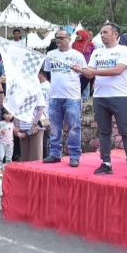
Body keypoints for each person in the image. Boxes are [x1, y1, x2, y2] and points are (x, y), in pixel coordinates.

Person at [81, 22, 127, 180]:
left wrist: (94, 71)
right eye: (101, 32)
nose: (102, 35)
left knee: (126, 131)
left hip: (119, 96)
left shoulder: (124, 50)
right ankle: (106, 163)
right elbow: (89, 73)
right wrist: (81, 70)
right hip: (99, 96)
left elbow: (117, 70)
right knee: (104, 131)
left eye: (105, 32)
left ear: (115, 34)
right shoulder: (97, 52)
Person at [43, 29, 86, 167]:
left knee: (74, 127)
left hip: (72, 97)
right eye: (57, 37)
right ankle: (55, 153)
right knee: (55, 127)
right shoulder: (50, 55)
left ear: (69, 39)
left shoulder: (77, 55)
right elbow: (48, 73)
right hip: (55, 96)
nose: (59, 40)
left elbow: (85, 74)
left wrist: (79, 91)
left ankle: (74, 155)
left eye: (62, 38)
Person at [72, 29, 95, 101]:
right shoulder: (74, 44)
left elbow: (94, 55)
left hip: (87, 65)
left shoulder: (91, 44)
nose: (78, 36)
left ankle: (85, 99)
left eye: (79, 34)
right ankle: (77, 96)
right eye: (77, 35)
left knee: (86, 80)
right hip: (76, 66)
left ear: (83, 35)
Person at [0, 108, 17, 177]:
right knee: (0, 155)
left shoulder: (12, 124)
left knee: (9, 156)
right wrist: (1, 131)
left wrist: (20, 134)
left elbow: (15, 132)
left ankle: (8, 169)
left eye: (10, 114)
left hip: (10, 143)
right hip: (2, 142)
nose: (8, 116)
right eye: (7, 114)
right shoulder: (1, 123)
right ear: (3, 115)